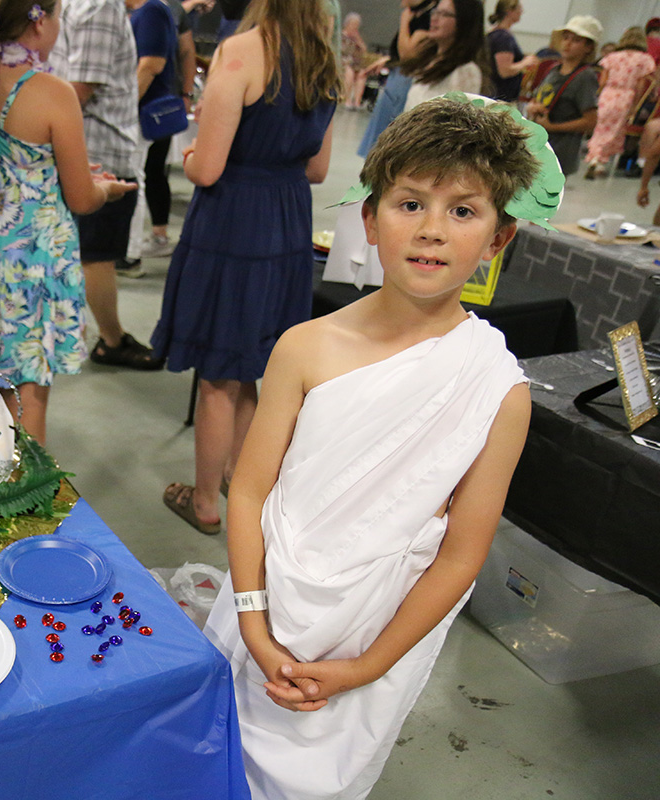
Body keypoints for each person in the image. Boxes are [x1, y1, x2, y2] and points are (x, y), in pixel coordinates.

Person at [204, 96, 537, 799]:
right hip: (262, 605)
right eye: (410, 203)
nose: (433, 231)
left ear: (499, 238)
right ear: (368, 218)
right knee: (214, 752)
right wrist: (256, 623)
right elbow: (251, 490)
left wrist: (368, 666)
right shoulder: (306, 346)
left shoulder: (498, 390)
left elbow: (460, 555)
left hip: (375, 636)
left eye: (464, 211)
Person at [151, 0, 336, 534]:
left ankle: (205, 502)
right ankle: (239, 475)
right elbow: (319, 169)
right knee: (252, 362)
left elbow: (206, 168)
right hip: (287, 220)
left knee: (217, 376)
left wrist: (187, 159)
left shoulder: (241, 51)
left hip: (233, 223)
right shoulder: (325, 59)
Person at [0, 0, 135, 444]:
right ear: (39, 22)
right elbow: (82, 198)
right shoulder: (51, 92)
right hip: (28, 271)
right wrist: (106, 188)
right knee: (26, 395)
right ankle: (19, 498)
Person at [51, 0, 160, 370]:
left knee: (91, 254)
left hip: (90, 148)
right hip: (99, 152)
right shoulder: (99, 6)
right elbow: (80, 87)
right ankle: (111, 340)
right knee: (97, 256)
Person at [129, 0, 180, 258]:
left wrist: (126, 105)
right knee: (149, 173)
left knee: (140, 176)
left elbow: (151, 64)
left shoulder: (151, 10)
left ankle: (130, 253)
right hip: (147, 108)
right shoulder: (149, 10)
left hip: (146, 111)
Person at [357, 0, 437, 157]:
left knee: (390, 137)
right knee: (378, 138)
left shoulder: (427, 18)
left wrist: (404, 21)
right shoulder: (417, 14)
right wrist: (388, 60)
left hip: (406, 80)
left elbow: (407, 54)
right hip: (397, 77)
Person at [525, 15, 601, 176]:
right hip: (538, 145)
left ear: (588, 47)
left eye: (576, 40)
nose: (568, 43)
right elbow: (538, 97)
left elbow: (590, 121)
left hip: (560, 151)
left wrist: (553, 127)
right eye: (566, 38)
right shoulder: (553, 70)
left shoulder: (585, 77)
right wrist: (533, 107)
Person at [584, 27, 655, 180]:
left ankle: (595, 157)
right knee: (615, 129)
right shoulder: (644, 59)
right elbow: (641, 85)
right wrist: (635, 105)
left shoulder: (612, 57)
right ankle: (600, 159)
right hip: (626, 96)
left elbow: (602, 81)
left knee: (601, 127)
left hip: (608, 93)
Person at [400, 0, 486, 111]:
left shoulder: (466, 70)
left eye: (444, 14)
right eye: (435, 12)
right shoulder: (429, 58)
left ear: (463, 21)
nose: (434, 18)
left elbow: (457, 120)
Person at [486, 0, 537, 102]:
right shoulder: (503, 37)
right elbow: (505, 71)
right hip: (500, 97)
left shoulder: (493, 33)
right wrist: (525, 62)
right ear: (509, 11)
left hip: (492, 93)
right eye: (519, 9)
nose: (521, 12)